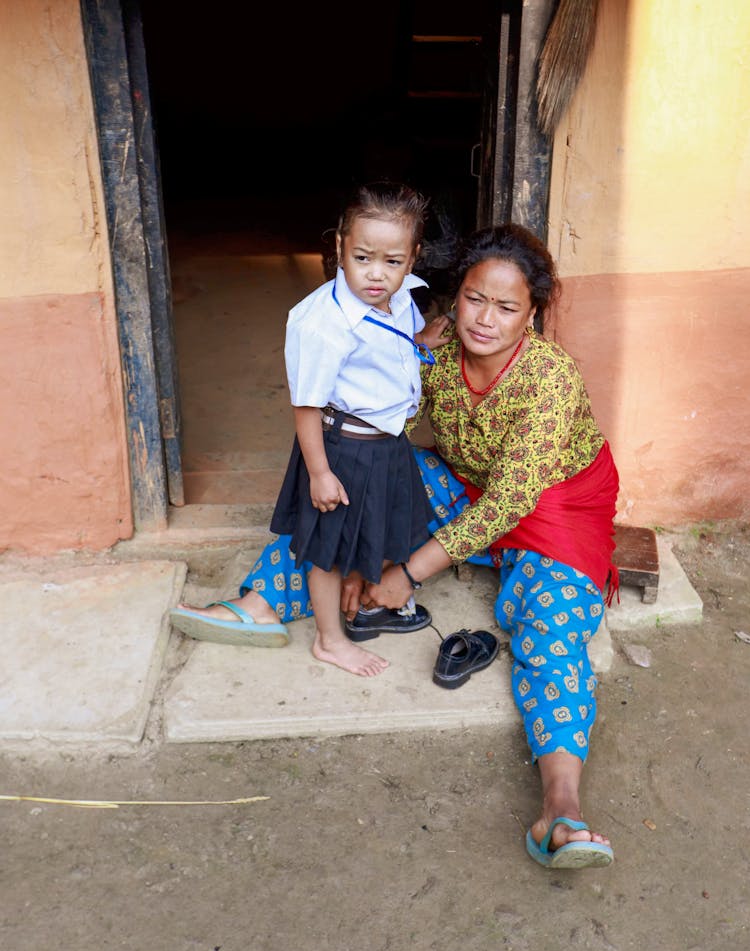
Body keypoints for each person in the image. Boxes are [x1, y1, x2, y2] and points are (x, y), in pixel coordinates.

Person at [173, 221, 618, 869]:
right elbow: (386, 431)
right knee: (356, 474)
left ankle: (561, 808)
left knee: (548, 630)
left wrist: (404, 570)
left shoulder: (549, 381)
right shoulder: (431, 350)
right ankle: (263, 601)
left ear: (533, 314)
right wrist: (364, 529)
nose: (484, 320)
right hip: (464, 488)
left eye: (506, 307)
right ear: (455, 293)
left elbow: (510, 503)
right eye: (473, 298)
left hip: (555, 510)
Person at [170, 182, 452, 677]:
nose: (375, 274)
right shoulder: (321, 323)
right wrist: (319, 472)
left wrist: (420, 339)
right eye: (362, 257)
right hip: (343, 448)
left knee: (377, 531)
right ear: (340, 245)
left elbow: (391, 344)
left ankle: (365, 602)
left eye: (392, 261)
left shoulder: (402, 296)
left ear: (413, 259)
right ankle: (329, 640)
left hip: (387, 445)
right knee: (328, 552)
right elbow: (306, 406)